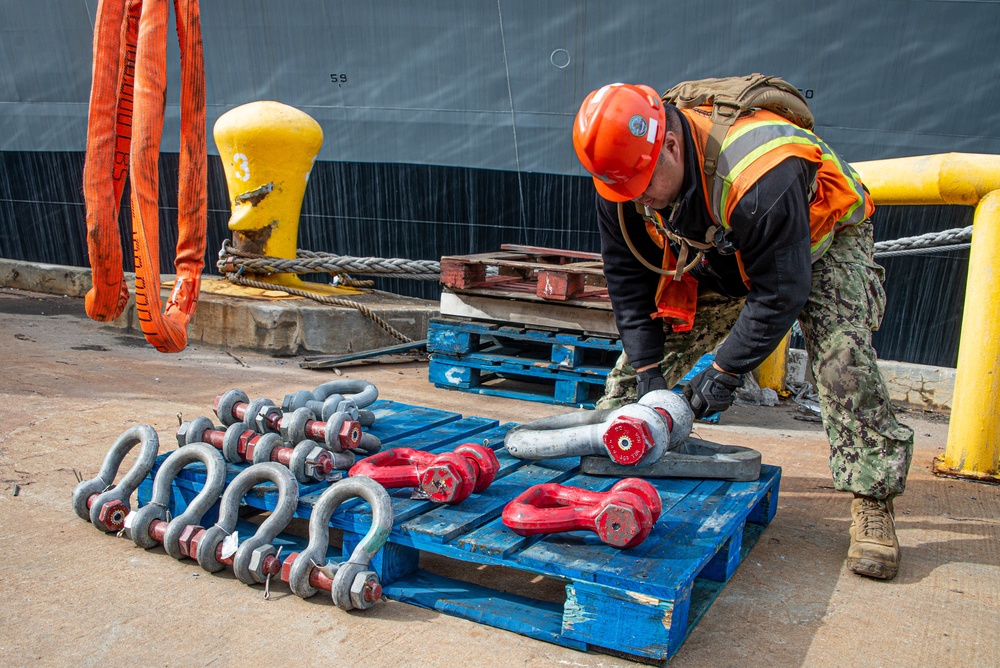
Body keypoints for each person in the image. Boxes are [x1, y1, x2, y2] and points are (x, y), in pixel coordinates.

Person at [572, 82, 914, 580]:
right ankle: (617, 474)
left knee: (843, 361)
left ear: (669, 145)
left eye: (643, 186)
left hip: (818, 245)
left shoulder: (760, 174)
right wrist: (649, 374)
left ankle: (873, 498)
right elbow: (628, 284)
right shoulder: (624, 180)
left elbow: (780, 293)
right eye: (624, 189)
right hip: (725, 253)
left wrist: (723, 374)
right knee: (629, 384)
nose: (636, 199)